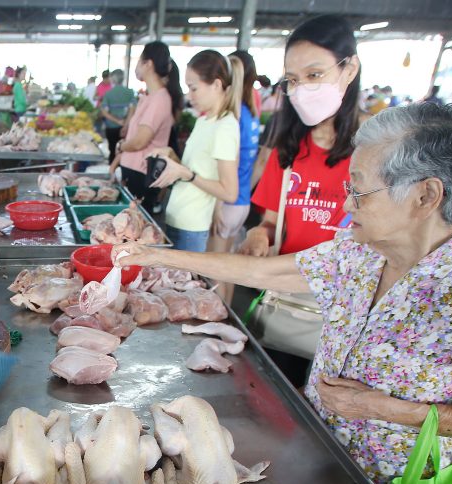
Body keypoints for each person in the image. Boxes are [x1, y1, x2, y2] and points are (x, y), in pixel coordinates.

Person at [116, 100, 452, 484]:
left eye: (360, 191)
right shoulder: (356, 251)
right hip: (315, 455)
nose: (347, 203)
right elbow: (266, 273)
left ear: (426, 196)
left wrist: (387, 409)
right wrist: (156, 256)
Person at [240, 15, 365, 384]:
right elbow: (270, 222)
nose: (302, 89)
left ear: (350, 69)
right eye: (293, 80)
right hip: (289, 303)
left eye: (314, 74)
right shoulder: (290, 149)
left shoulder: (380, 151)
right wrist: (258, 235)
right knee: (274, 395)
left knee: (333, 406)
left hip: (350, 312)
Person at [148, 50, 242, 252]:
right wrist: (171, 156)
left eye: (194, 88)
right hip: (177, 217)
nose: (189, 97)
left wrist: (187, 174)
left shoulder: (225, 127)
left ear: (216, 85)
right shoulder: (204, 121)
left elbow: (229, 192)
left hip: (192, 227)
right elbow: (194, 169)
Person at [109, 41, 183, 213]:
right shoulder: (150, 97)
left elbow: (139, 141)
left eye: (139, 61)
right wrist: (117, 160)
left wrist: (120, 146)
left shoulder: (160, 99)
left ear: (148, 64)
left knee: (134, 224)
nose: (136, 67)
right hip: (133, 172)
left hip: (141, 174)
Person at [211, 51, 262, 299]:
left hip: (227, 202)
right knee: (228, 267)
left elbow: (229, 167)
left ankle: (221, 318)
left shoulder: (233, 117)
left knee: (215, 269)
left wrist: (217, 206)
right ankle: (229, 313)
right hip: (242, 201)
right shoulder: (251, 113)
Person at [100, 69, 136, 160]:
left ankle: (112, 167)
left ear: (112, 79)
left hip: (111, 127)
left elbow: (104, 112)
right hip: (126, 128)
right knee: (124, 152)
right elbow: (133, 110)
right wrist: (126, 125)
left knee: (112, 151)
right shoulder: (130, 92)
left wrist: (117, 121)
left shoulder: (108, 94)